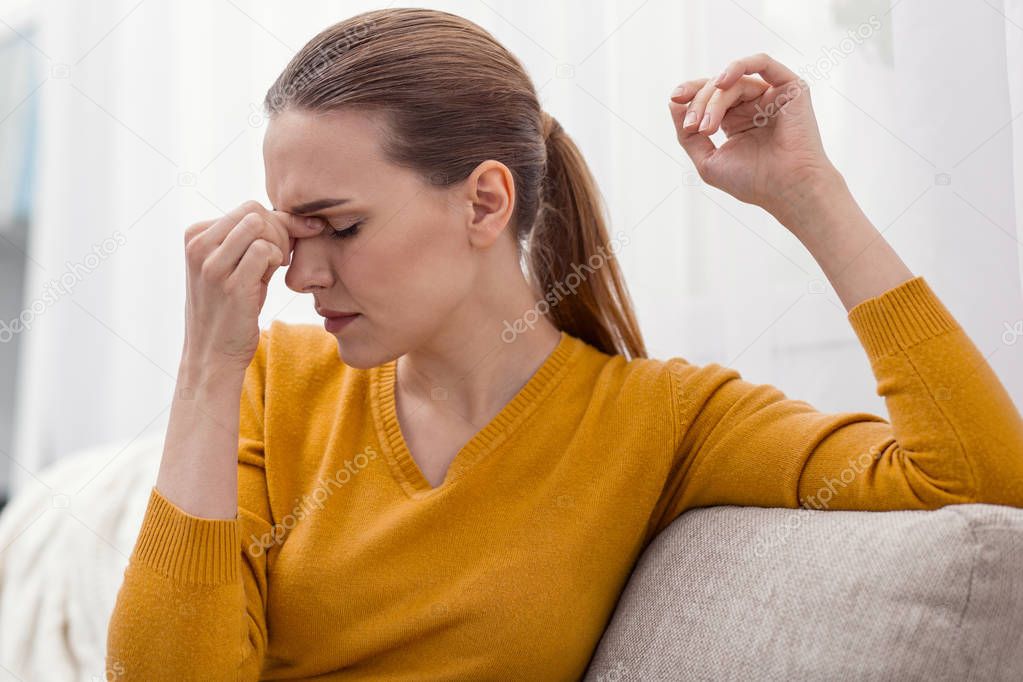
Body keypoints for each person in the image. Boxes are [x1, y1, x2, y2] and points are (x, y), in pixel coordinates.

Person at [105, 7, 1023, 680]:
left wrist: (810, 195)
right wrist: (205, 372)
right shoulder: (274, 379)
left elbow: (979, 484)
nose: (300, 276)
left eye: (337, 228)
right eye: (290, 232)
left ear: (484, 202)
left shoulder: (658, 420)